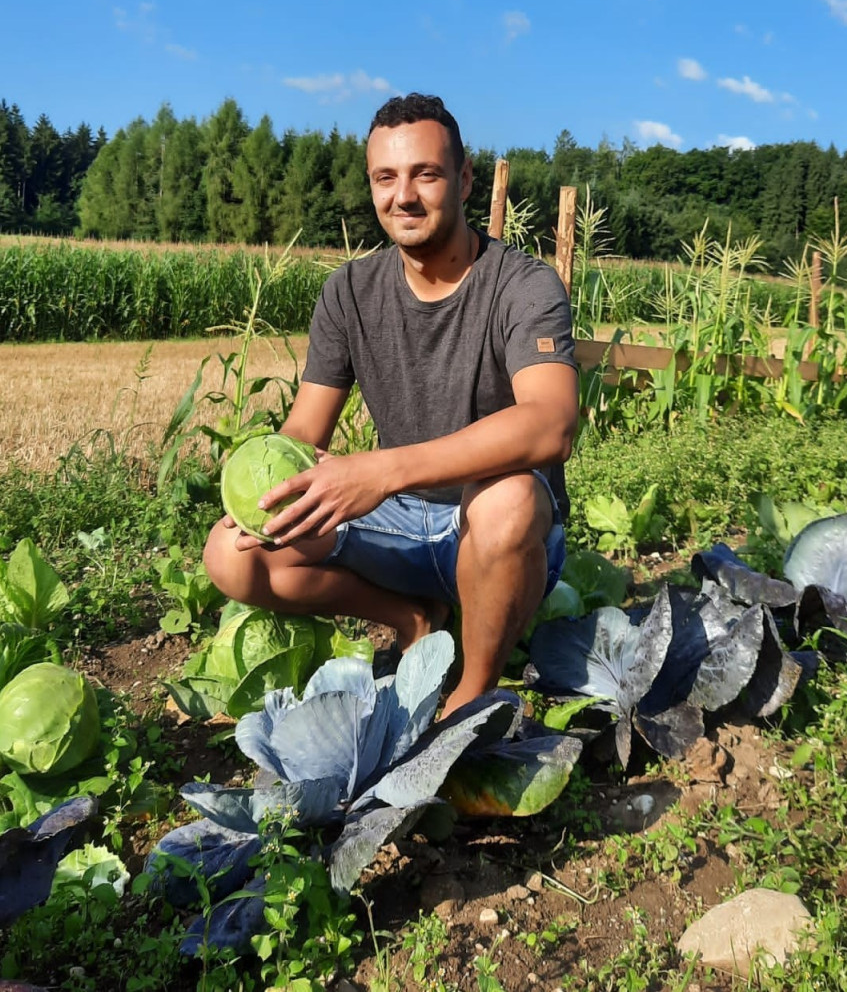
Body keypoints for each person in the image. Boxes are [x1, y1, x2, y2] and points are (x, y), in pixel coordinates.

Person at [203, 93, 578, 715]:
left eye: (424, 174)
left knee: (507, 499)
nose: (403, 195)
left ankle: (472, 691)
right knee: (230, 559)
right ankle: (413, 618)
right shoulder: (349, 292)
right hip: (396, 523)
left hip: (489, 528)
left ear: (463, 181)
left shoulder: (522, 285)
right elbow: (304, 429)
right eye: (386, 177)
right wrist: (264, 503)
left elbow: (550, 424)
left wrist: (382, 470)